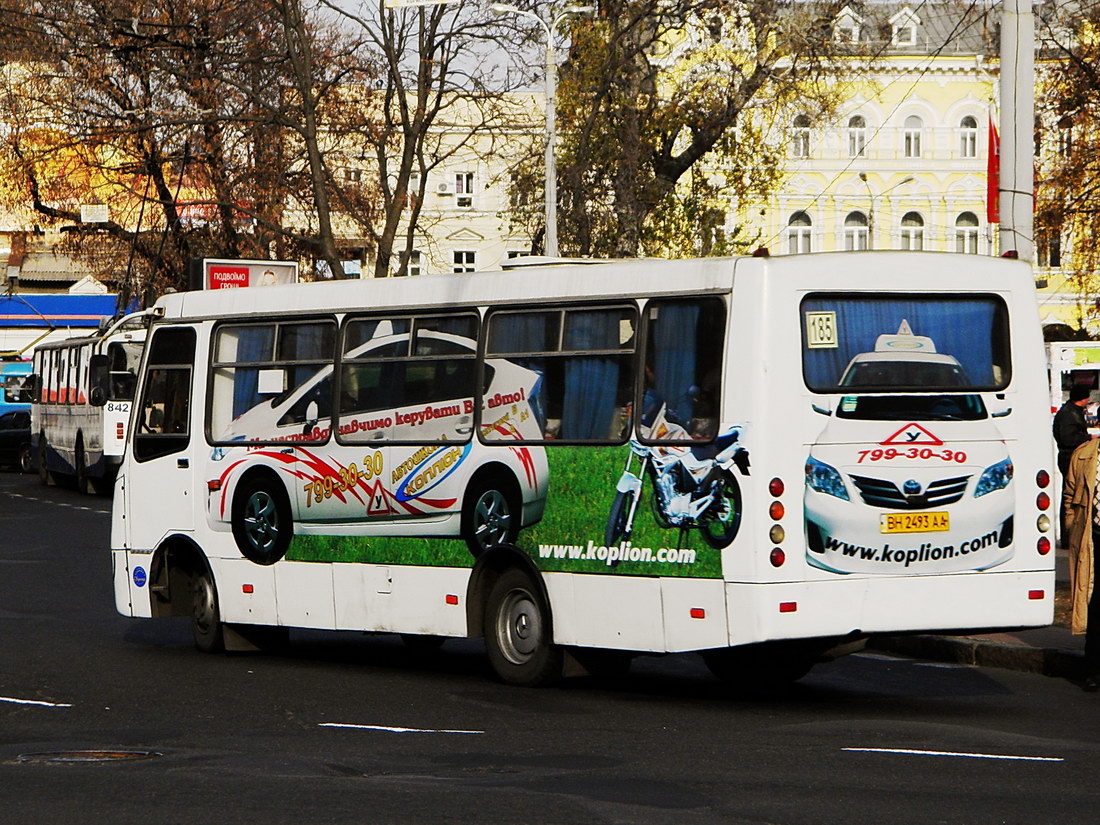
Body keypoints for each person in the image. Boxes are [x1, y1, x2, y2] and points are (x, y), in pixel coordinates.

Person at [1061, 436, 1100, 691]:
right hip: (1093, 538)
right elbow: (1069, 496)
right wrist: (1070, 526)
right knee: (1094, 605)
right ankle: (1094, 670)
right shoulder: (1085, 454)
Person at [1054, 386, 1092, 477]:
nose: (1089, 400)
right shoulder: (1068, 414)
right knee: (1072, 487)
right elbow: (1068, 439)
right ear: (1082, 399)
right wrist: (1089, 437)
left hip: (1074, 457)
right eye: (1087, 397)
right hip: (1070, 458)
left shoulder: (1074, 411)